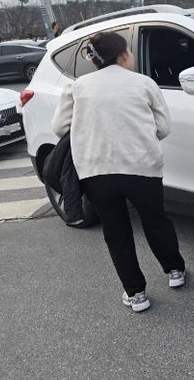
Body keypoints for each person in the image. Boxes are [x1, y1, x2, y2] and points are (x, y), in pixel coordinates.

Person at [51, 31, 186, 313]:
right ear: (123, 55)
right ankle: (175, 271)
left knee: (116, 231)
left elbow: (59, 128)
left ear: (95, 60)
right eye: (129, 51)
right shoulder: (143, 83)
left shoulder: (77, 87)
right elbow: (164, 127)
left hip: (96, 169)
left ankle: (136, 295)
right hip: (142, 166)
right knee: (156, 220)